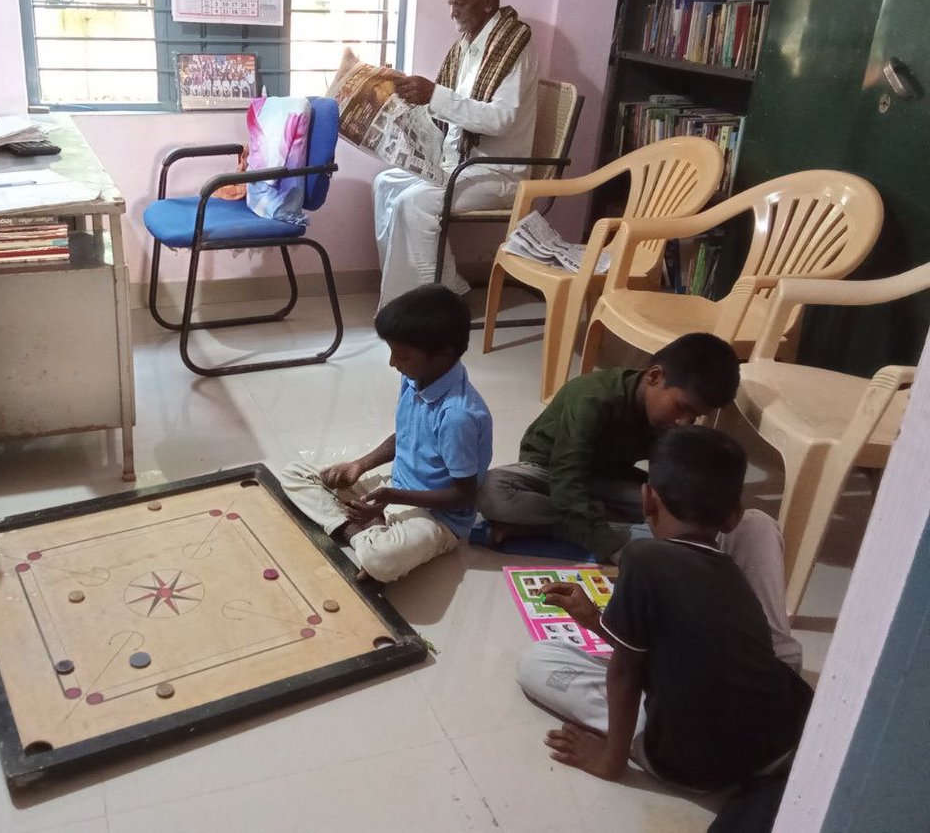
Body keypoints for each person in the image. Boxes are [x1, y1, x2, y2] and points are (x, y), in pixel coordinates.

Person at [515, 426, 814, 791]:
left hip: (690, 764)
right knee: (760, 527)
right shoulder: (728, 571)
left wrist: (610, 760)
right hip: (782, 738)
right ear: (732, 515)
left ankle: (635, 741)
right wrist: (595, 620)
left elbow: (625, 673)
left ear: (647, 500)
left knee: (537, 660)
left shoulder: (643, 558)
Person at [280, 285, 493, 582]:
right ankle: (359, 531)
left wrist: (393, 496)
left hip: (436, 517)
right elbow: (404, 437)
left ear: (443, 355)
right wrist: (359, 466)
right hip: (394, 487)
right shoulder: (415, 377)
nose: (393, 363)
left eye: (402, 356)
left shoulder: (459, 415)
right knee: (294, 473)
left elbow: (464, 495)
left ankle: (364, 536)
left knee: (382, 560)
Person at [476, 332, 739, 564]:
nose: (684, 422)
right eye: (682, 407)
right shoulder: (592, 399)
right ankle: (579, 526)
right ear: (654, 376)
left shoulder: (668, 421)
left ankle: (549, 525)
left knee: (684, 512)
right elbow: (566, 476)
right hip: (549, 472)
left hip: (606, 482)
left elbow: (675, 478)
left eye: (695, 417)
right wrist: (610, 548)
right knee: (492, 491)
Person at [374, 0, 539, 307]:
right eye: (450, 3)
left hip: (498, 171)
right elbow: (451, 109)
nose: (452, 13)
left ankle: (424, 311)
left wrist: (434, 94)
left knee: (413, 204)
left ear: (488, 1)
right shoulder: (466, 45)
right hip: (459, 162)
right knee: (385, 182)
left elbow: (501, 120)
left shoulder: (514, 45)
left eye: (459, 4)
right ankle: (444, 286)